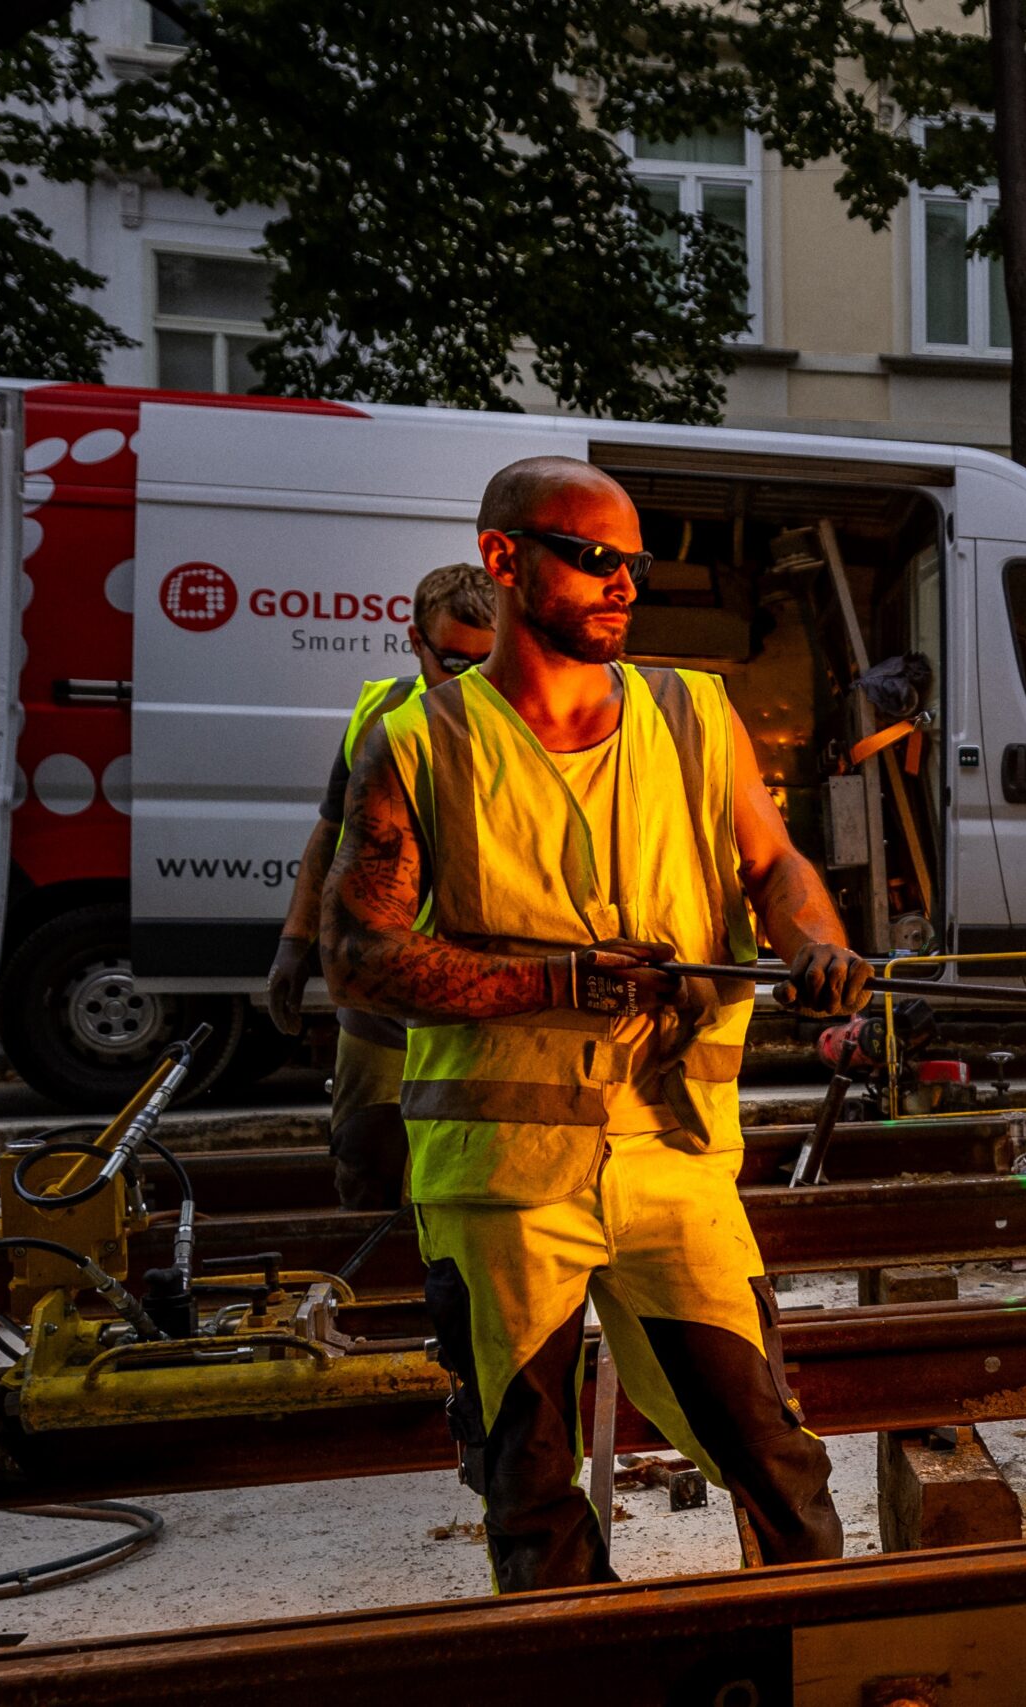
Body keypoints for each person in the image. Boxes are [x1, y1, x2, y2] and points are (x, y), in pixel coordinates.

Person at [321, 455, 873, 1591]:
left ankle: (810, 1656)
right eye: (591, 557)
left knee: (775, 1455)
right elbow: (359, 957)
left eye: (633, 562)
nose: (621, 582)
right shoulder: (421, 741)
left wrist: (812, 943)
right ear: (504, 559)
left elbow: (774, 864)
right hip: (501, 1181)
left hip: (672, 1157)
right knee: (532, 1494)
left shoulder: (691, 711)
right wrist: (553, 984)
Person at [268, 563, 497, 1210]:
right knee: (368, 1158)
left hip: (479, 995)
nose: (473, 683)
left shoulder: (529, 721)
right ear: (414, 642)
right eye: (455, 662)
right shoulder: (381, 714)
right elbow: (331, 829)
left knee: (472, 1178)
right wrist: (294, 940)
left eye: (489, 662)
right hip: (381, 994)